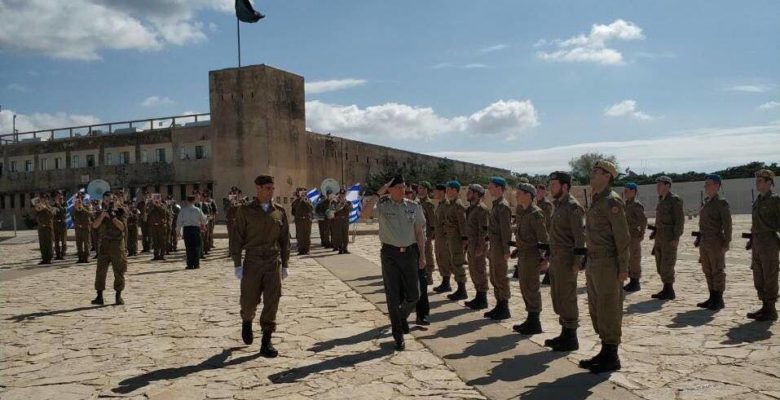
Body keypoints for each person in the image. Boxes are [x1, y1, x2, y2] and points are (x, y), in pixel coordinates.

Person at [579, 161, 630, 373]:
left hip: (608, 263)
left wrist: (623, 268)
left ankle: (612, 355)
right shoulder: (597, 200)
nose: (592, 175)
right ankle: (605, 350)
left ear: (608, 176)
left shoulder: (612, 201)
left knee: (609, 307)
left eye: (596, 172)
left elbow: (622, 237)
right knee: (597, 308)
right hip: (594, 262)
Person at [232, 175, 291, 357]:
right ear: (258, 189)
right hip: (253, 261)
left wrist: (285, 264)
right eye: (267, 188)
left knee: (272, 300)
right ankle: (247, 320)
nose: (271, 191)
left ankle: (266, 341)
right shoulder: (245, 211)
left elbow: (285, 239)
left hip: (272, 261)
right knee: (249, 300)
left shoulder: (279, 211)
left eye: (272, 188)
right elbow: (236, 238)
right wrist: (237, 264)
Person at [374, 175, 427, 351]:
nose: (402, 190)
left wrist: (422, 255)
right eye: (398, 187)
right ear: (390, 189)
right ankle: (398, 335)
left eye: (404, 187)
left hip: (410, 253)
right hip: (390, 254)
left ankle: (400, 316)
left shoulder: (413, 206)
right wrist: (380, 191)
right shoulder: (383, 205)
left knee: (414, 294)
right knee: (393, 296)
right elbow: (364, 213)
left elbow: (419, 232)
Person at [544, 171, 585, 352]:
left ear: (565, 187)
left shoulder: (572, 207)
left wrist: (577, 262)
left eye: (554, 185)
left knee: (567, 297)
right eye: (550, 185)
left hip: (567, 260)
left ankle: (571, 337)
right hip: (556, 259)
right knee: (558, 297)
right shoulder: (559, 206)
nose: (551, 188)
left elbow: (579, 238)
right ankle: (564, 333)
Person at [512, 183, 550, 335]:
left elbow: (544, 239)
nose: (516, 195)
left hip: (532, 256)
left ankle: (535, 322)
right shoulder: (523, 211)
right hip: (523, 254)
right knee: (524, 287)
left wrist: (544, 259)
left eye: (519, 193)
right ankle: (530, 319)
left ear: (528, 195)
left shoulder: (536, 214)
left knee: (531, 288)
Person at [695, 174, 732, 311]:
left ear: (717, 186)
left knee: (717, 270)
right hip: (705, 241)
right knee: (707, 269)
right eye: (705, 184)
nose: (705, 186)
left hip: (716, 241)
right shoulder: (706, 202)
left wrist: (726, 242)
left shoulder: (721, 203)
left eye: (708, 184)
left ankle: (718, 298)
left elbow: (727, 225)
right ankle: (712, 296)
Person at [747, 169, 779, 322]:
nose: (757, 183)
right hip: (757, 242)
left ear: (769, 182)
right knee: (758, 276)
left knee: (770, 275)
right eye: (757, 180)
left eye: (760, 181)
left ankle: (771, 309)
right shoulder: (758, 200)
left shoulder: (775, 200)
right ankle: (765, 306)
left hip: (769, 242)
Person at [90, 191, 128, 305]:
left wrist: (113, 217)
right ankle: (99, 296)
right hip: (104, 244)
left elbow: (122, 227)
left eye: (110, 200)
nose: (108, 203)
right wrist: (102, 216)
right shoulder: (100, 212)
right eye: (106, 201)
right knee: (100, 270)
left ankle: (118, 296)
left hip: (117, 245)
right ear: (103, 201)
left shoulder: (120, 211)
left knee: (119, 270)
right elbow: (94, 225)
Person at [651, 176, 684, 300]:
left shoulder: (674, 200)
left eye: (660, 185)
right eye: (657, 185)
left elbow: (679, 220)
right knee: (659, 263)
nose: (657, 187)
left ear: (667, 185)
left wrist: (676, 237)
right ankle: (666, 288)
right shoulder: (661, 200)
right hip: (660, 237)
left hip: (669, 237)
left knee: (667, 263)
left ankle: (669, 291)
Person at [485, 177, 513, 320]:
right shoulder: (496, 205)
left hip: (500, 248)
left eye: (491, 187)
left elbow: (506, 231)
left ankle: (504, 307)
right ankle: (499, 304)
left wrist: (506, 250)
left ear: (499, 188)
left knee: (501, 277)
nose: (489, 189)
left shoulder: (503, 206)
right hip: (494, 246)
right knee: (494, 276)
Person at [463, 184, 490, 310]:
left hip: (478, 245)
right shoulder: (470, 209)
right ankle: (478, 296)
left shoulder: (481, 209)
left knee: (479, 270)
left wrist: (481, 246)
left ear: (477, 194)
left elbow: (484, 231)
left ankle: (482, 299)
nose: (467, 194)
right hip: (471, 244)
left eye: (470, 192)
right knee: (473, 271)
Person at [441, 180, 469, 300]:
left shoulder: (458, 205)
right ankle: (459, 288)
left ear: (455, 190)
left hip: (457, 239)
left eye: (448, 189)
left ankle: (462, 290)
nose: (446, 191)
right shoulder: (450, 204)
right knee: (453, 262)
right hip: (451, 238)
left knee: (458, 263)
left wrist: (464, 240)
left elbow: (463, 223)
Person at [622, 183, 647, 292]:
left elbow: (643, 220)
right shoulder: (626, 204)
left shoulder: (636, 205)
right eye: (624, 190)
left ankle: (635, 282)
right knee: (629, 259)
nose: (625, 193)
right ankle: (632, 280)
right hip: (626, 235)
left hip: (633, 235)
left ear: (633, 192)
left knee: (634, 258)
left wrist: (641, 233)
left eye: (627, 191)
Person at [177, 195, 208, 270]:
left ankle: (190, 264)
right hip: (195, 229)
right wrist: (205, 222)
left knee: (188, 247)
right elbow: (204, 220)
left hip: (187, 229)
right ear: (194, 201)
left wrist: (178, 231)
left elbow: (179, 222)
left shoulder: (183, 210)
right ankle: (196, 264)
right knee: (196, 247)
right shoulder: (198, 210)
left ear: (187, 201)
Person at [432, 183, 452, 293]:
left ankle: (446, 283)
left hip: (444, 238)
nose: (434, 193)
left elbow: (447, 223)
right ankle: (444, 282)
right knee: (440, 258)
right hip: (439, 237)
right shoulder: (440, 204)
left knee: (445, 259)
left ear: (441, 192)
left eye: (435, 191)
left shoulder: (446, 205)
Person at [417, 182, 437, 285]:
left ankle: (429, 275)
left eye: (423, 189)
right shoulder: (417, 203)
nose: (421, 191)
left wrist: (431, 235)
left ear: (427, 190)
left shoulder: (429, 204)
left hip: (427, 234)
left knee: (428, 254)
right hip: (418, 233)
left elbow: (432, 221)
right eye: (420, 188)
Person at [535, 184, 554, 284]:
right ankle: (543, 268)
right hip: (538, 231)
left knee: (546, 252)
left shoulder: (546, 204)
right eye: (536, 191)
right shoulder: (537, 203)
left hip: (545, 231)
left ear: (543, 192)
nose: (537, 193)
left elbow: (546, 221)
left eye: (539, 191)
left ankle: (546, 269)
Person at [291, 188, 314, 255]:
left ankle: (307, 249)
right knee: (300, 235)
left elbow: (311, 208)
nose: (302, 194)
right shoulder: (296, 201)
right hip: (299, 220)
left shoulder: (308, 200)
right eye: (300, 192)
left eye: (303, 192)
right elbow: (293, 212)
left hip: (307, 220)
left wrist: (305, 201)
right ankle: (301, 249)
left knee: (307, 235)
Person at [34, 194, 55, 265]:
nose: (43, 201)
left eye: (44, 199)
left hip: (48, 228)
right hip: (41, 228)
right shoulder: (39, 208)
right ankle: (44, 258)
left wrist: (45, 208)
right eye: (42, 199)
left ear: (47, 200)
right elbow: (35, 215)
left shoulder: (51, 208)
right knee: (42, 244)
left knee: (49, 243)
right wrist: (37, 208)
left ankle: (49, 258)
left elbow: (52, 214)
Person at [147, 195, 168, 261]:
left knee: (162, 241)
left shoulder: (163, 205)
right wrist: (151, 205)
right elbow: (147, 212)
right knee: (155, 241)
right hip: (153, 226)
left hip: (161, 226)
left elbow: (165, 212)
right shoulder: (151, 206)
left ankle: (162, 255)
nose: (156, 200)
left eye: (157, 199)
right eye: (155, 199)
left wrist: (158, 206)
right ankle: (156, 255)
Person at [332, 189, 353, 254]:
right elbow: (334, 210)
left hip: (345, 220)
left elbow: (350, 209)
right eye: (341, 194)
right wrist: (340, 203)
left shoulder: (348, 202)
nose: (342, 196)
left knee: (345, 235)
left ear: (345, 195)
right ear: (339, 194)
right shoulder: (335, 202)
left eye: (343, 194)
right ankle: (340, 249)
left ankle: (345, 248)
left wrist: (345, 204)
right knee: (339, 235)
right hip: (338, 220)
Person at [73, 195, 92, 263]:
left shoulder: (86, 207)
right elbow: (72, 216)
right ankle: (80, 258)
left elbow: (90, 214)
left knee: (86, 243)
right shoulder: (74, 208)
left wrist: (83, 208)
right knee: (79, 244)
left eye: (80, 200)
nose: (79, 201)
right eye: (77, 200)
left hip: (85, 228)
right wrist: (75, 209)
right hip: (78, 229)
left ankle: (86, 257)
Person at [52, 192, 68, 260]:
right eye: (57, 196)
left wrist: (58, 205)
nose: (58, 197)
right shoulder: (54, 204)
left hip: (62, 223)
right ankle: (58, 254)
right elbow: (52, 212)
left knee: (63, 240)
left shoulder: (64, 203)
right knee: (56, 240)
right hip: (56, 223)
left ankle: (63, 253)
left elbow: (64, 211)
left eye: (59, 196)